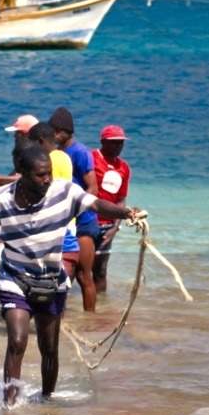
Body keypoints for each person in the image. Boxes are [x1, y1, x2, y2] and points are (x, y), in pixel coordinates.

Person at [0, 145, 143, 405]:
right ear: (22, 173)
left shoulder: (64, 192)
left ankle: (47, 403)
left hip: (51, 281)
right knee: (18, 341)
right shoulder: (0, 200)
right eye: (40, 175)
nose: (47, 180)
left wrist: (125, 212)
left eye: (49, 174)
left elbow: (96, 204)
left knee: (49, 349)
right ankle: (9, 407)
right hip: (15, 279)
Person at [49, 106, 100, 311]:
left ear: (63, 131)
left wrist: (75, 210)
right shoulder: (58, 153)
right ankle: (60, 318)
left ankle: (90, 319)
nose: (52, 136)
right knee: (63, 274)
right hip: (66, 222)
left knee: (83, 276)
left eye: (54, 132)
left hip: (84, 221)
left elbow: (93, 187)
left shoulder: (80, 152)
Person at [27, 122, 80, 280]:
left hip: (55, 225)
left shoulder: (49, 160)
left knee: (49, 281)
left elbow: (47, 191)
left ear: (41, 141)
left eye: (33, 143)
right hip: (68, 221)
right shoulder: (63, 156)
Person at [92, 125, 132, 296]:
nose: (118, 147)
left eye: (121, 143)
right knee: (79, 269)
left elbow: (121, 199)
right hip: (88, 222)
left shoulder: (123, 167)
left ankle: (101, 312)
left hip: (107, 226)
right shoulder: (91, 158)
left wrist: (115, 227)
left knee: (100, 270)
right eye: (114, 143)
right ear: (103, 142)